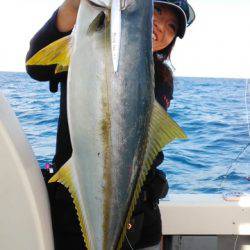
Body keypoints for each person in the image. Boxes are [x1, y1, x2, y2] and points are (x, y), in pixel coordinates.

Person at [26, 0, 195, 249]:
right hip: (81, 202)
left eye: (172, 26)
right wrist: (72, 8)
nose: (161, 26)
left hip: (141, 211)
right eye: (156, 11)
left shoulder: (161, 78)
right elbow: (36, 68)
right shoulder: (84, 48)